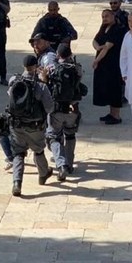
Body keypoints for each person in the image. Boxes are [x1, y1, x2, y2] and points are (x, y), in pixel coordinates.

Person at [8, 55, 55, 196]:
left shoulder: (13, 81)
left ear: (23, 67)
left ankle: (17, 183)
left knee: (18, 153)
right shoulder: (40, 86)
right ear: (36, 66)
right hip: (35, 125)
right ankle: (43, 174)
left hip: (16, 124)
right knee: (38, 150)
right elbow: (49, 108)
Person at [46, 44, 82, 180]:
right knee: (70, 136)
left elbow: (44, 80)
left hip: (57, 109)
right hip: (73, 109)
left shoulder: (53, 68)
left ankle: (61, 165)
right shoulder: (77, 68)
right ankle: (70, 165)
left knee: (54, 137)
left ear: (58, 54)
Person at [93, 9, 127, 125]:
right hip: (104, 64)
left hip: (113, 63)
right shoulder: (104, 27)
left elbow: (107, 47)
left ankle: (116, 115)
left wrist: (96, 60)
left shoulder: (117, 29)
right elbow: (95, 40)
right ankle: (111, 113)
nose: (104, 18)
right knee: (107, 87)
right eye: (103, 17)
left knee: (114, 88)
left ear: (113, 16)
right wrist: (97, 48)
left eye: (106, 16)